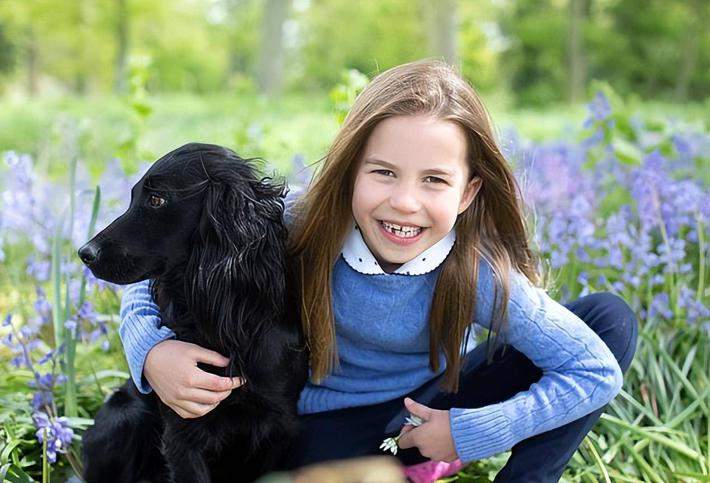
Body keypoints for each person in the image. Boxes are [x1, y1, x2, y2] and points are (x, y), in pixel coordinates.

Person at [118, 59, 638, 482]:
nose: (405, 202)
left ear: (468, 193)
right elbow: (157, 262)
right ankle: (401, 468)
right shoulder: (302, 222)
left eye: (435, 180)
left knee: (608, 318)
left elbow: (595, 371)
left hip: (429, 408)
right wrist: (152, 352)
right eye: (384, 172)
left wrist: (473, 429)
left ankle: (482, 469)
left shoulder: (474, 269)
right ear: (350, 172)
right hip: (318, 429)